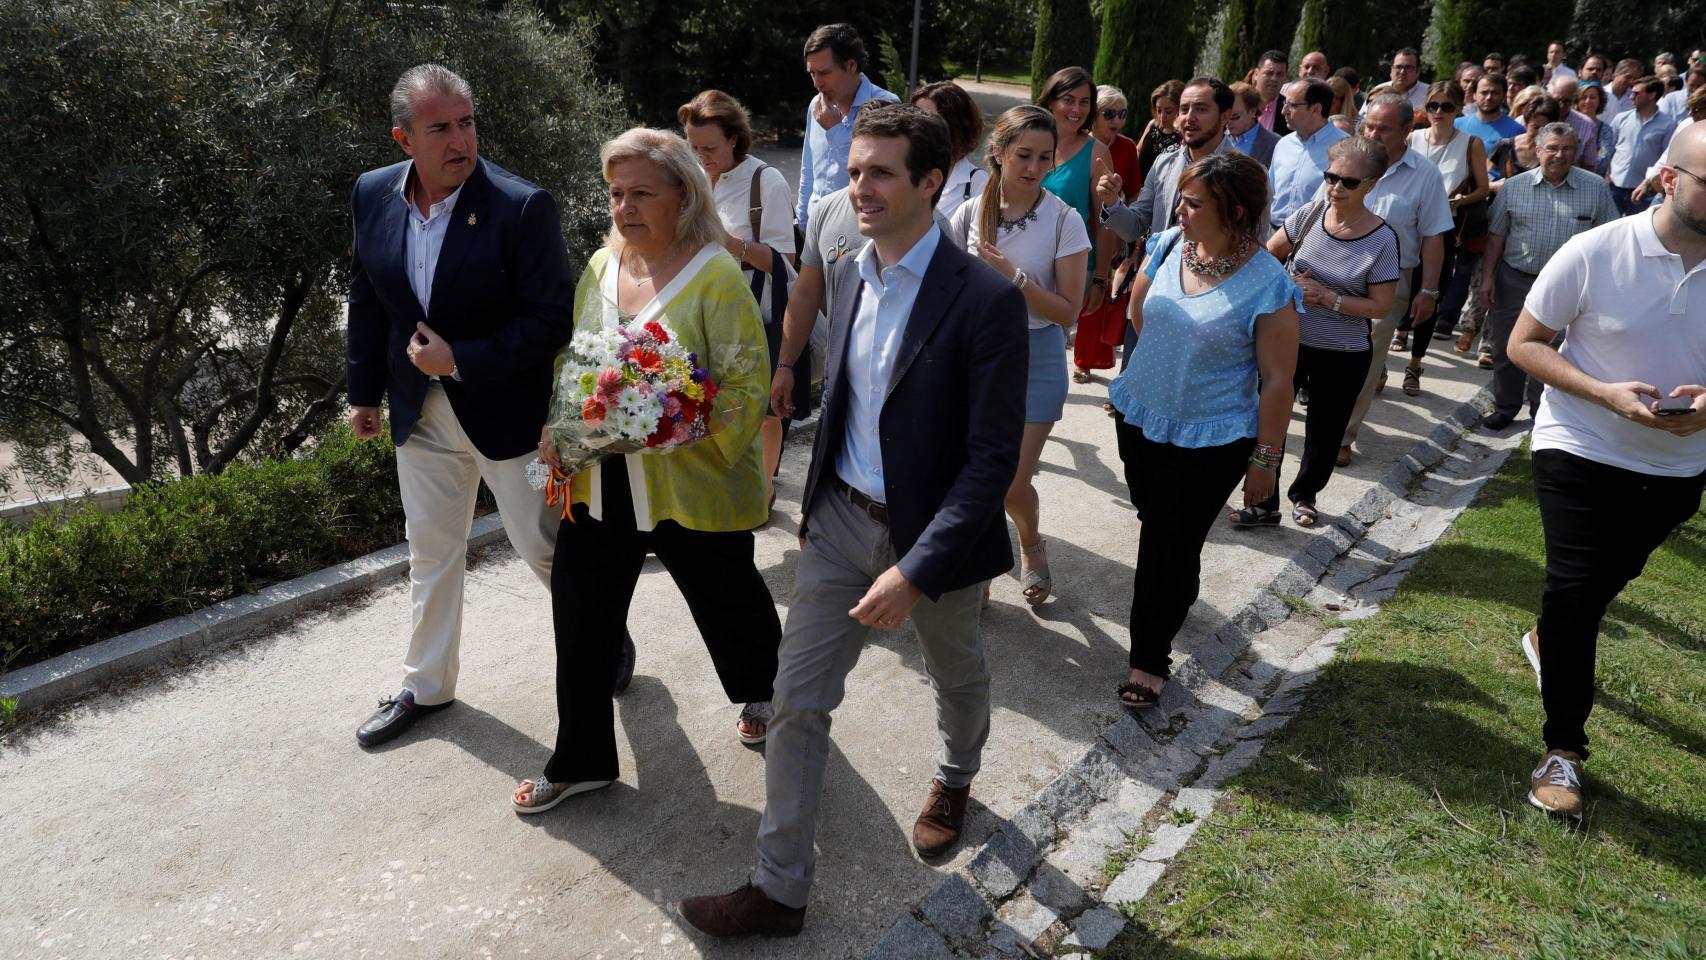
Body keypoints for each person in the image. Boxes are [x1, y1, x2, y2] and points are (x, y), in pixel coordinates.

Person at [679, 104, 1029, 938]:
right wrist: (813, 508)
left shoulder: (986, 302)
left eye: (878, 172)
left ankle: (956, 772)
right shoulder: (845, 269)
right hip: (840, 520)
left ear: (930, 181)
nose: (856, 186)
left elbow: (990, 461)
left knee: (958, 675)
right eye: (853, 169)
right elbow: (848, 401)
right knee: (795, 700)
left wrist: (916, 569)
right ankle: (780, 887)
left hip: (931, 541)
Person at [510, 128, 781, 813]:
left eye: (641, 193)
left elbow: (748, 385)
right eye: (616, 193)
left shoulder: (716, 274)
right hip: (601, 482)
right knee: (579, 619)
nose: (625, 207)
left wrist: (671, 427)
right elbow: (576, 362)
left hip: (687, 482)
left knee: (732, 603)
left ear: (682, 194)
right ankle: (582, 759)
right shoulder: (603, 266)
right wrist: (560, 427)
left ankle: (772, 696)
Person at [347, 64, 575, 748]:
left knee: (544, 548)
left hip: (510, 416)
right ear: (404, 138)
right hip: (420, 409)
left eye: (467, 123)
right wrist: (363, 392)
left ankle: (601, 634)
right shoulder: (371, 194)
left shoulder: (522, 205)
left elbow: (550, 323)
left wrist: (463, 360)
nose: (459, 141)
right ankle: (427, 686)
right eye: (440, 128)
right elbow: (369, 295)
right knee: (432, 549)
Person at [1504, 122, 1706, 819]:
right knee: (1574, 588)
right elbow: (1524, 344)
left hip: (1680, 466)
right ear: (1671, 179)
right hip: (1581, 444)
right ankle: (1563, 751)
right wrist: (1603, 393)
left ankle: (1547, 640)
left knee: (1591, 593)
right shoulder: (1597, 251)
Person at [1108, 152, 1300, 706]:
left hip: (1214, 438)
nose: (1181, 210)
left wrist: (1265, 461)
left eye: (1194, 203)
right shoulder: (1168, 244)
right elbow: (1141, 313)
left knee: (1161, 539)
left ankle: (1148, 660)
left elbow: (1278, 380)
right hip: (1141, 414)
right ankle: (1181, 587)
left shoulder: (1269, 284)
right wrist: (1172, 367)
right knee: (1164, 525)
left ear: (1234, 211)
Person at [948, 106, 1091, 605]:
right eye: (1023, 155)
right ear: (999, 152)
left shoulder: (1064, 220)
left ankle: (1030, 543)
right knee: (973, 471)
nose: (1033, 167)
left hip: (1038, 358)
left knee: (1011, 481)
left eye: (1044, 157)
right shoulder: (969, 211)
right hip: (976, 358)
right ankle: (982, 565)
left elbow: (1068, 312)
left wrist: (1015, 278)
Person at [1233, 137, 1398, 529]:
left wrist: (1328, 297)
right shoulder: (1310, 214)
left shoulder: (1382, 238)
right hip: (1287, 342)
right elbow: (1267, 256)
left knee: (1325, 432)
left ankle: (1305, 495)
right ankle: (1263, 501)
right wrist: (1289, 281)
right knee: (1268, 420)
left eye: (1349, 182)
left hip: (1343, 350)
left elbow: (1381, 307)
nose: (1336, 187)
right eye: (1331, 177)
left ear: (1372, 184)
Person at [679, 89, 800, 512]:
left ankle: (762, 491)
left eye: (709, 147)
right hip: (701, 312)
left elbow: (787, 263)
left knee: (765, 410)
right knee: (705, 400)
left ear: (734, 138)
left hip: (756, 313)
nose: (702, 156)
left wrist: (732, 245)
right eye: (693, 147)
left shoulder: (766, 181)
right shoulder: (693, 177)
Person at [1099, 79, 1257, 376]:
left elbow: (1254, 244)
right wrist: (1112, 204)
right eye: (1184, 109)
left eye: (1201, 109)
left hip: (1208, 308)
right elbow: (1135, 227)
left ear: (1225, 116)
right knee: (1132, 399)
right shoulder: (1165, 163)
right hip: (1153, 294)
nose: (1188, 117)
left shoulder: (1244, 173)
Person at [1335, 95, 1453, 465]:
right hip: (1333, 267)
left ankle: (1342, 435)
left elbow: (1434, 235)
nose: (1373, 134)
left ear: (1406, 131)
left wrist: (1429, 290)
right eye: (1368, 125)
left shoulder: (1425, 174)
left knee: (1365, 357)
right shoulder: (1345, 162)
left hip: (1387, 280)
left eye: (1384, 128)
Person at [1478, 123, 1618, 430]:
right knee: (1505, 345)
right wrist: (1487, 278)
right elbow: (1496, 238)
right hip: (1515, 279)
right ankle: (1505, 406)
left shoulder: (1595, 188)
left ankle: (1540, 410)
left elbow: (1610, 239)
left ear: (1577, 152)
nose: (1559, 155)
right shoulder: (1514, 187)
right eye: (1552, 148)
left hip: (1570, 286)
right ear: (1538, 151)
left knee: (1555, 350)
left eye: (1567, 148)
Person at [1392, 80, 1488, 396]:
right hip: (1406, 228)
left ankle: (1415, 365)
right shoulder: (1412, 138)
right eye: (1433, 105)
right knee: (1395, 288)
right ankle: (1393, 339)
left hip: (1444, 229)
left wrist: (1458, 202)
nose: (1438, 112)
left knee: (1430, 292)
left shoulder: (1470, 143)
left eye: (1447, 106)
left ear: (1459, 109)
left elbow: (1482, 189)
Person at [797, 23, 899, 233]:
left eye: (824, 73)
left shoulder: (886, 106)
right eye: (812, 73)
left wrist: (835, 129)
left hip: (858, 236)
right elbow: (809, 172)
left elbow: (879, 174)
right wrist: (802, 224)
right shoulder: (816, 106)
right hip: (815, 234)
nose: (817, 83)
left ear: (851, 65)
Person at [1074, 86, 1143, 381]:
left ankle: (1087, 359)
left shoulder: (1127, 147)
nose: (1116, 119)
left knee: (1099, 296)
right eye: (1109, 113)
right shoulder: (1079, 145)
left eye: (1122, 113)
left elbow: (1136, 192)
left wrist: (1124, 234)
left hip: (1111, 229)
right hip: (1078, 228)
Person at [1038, 67, 1116, 315]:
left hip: (1070, 270)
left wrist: (1100, 279)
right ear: (1051, 101)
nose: (1077, 110)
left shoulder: (1097, 152)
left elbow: (1106, 221)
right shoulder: (1026, 139)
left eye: (1085, 102)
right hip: (1021, 262)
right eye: (1068, 100)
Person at [1268, 79, 1349, 229]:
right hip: (1273, 234)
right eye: (1285, 103)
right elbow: (1271, 192)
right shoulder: (1283, 144)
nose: (1283, 110)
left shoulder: (1346, 148)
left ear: (1316, 109)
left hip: (1313, 239)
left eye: (1292, 105)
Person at [911, 80, 989, 222]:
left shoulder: (977, 182)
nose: (916, 127)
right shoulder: (905, 169)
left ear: (955, 126)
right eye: (913, 117)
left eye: (927, 119)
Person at [1605, 76, 1677, 215]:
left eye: (1636, 93)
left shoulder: (1668, 125)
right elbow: (1609, 149)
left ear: (1652, 95)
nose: (1631, 97)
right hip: (1614, 187)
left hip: (1643, 191)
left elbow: (1667, 157)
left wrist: (1650, 184)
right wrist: (1606, 176)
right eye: (1631, 93)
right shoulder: (1621, 118)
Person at [1458, 74, 1525, 167]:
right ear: (1474, 95)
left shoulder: (1517, 131)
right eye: (1484, 92)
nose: (1489, 97)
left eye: (1495, 93)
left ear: (1504, 96)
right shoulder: (1456, 125)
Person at [1135, 80, 1185, 183]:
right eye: (1159, 110)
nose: (1162, 116)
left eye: (1168, 111)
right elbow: (1138, 151)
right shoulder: (1153, 125)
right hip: (1141, 191)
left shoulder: (1185, 135)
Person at [1547, 76, 1601, 170]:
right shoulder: (1534, 120)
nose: (1561, 105)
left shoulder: (1586, 125)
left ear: (1574, 99)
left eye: (1566, 101)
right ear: (1548, 95)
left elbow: (1589, 165)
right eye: (1557, 100)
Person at [1227, 81, 1281, 167]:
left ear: (1252, 111)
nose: (1227, 122)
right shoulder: (1216, 138)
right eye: (1225, 116)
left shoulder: (1275, 144)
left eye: (1234, 117)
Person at [1366, 47, 1427, 114]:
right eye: (1398, 67)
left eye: (1408, 67)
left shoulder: (1429, 94)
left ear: (1418, 71)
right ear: (1391, 70)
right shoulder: (1378, 90)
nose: (1402, 71)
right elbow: (1362, 117)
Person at [1574, 82, 1612, 172]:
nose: (1588, 101)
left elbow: (1604, 158)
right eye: (1584, 97)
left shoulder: (1605, 129)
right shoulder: (1569, 123)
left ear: (1600, 101)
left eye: (1593, 97)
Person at [1255, 50, 1292, 135]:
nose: (1274, 79)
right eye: (1269, 73)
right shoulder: (1240, 102)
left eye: (1279, 74)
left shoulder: (1290, 110)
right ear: (1256, 74)